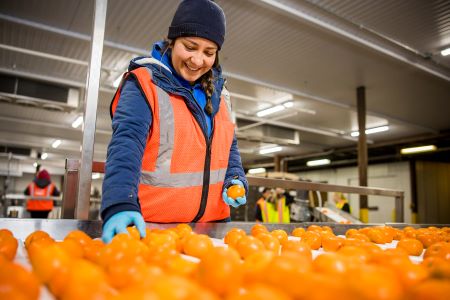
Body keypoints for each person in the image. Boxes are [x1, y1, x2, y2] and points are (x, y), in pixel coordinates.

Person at [100, 0, 248, 243]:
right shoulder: (145, 84)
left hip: (213, 231)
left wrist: (235, 177)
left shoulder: (221, 95)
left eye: (209, 53)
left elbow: (228, 147)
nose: (198, 60)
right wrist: (119, 202)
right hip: (154, 230)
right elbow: (126, 145)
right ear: (172, 41)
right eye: (190, 47)